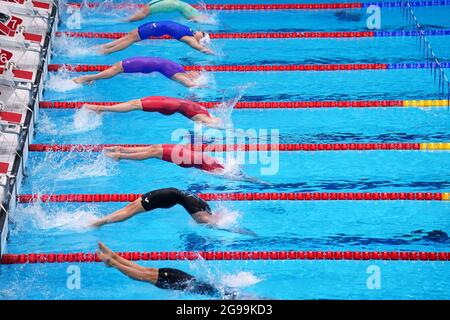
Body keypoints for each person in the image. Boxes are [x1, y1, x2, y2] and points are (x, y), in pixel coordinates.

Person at [91, 188, 256, 237]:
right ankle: (100, 222)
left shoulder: (198, 208)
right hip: (178, 197)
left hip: (171, 196)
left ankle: (99, 222)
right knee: (129, 211)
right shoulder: (198, 207)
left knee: (129, 212)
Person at [96, 242, 238, 298]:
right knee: (146, 276)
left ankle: (115, 258)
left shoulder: (223, 290)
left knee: (147, 272)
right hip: (179, 282)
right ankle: (114, 263)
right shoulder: (223, 294)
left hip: (182, 276)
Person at [83, 96, 223, 128]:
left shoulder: (204, 115)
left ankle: (102, 109)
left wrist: (214, 124)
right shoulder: (206, 114)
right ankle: (102, 109)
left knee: (134, 105)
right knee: (134, 103)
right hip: (170, 102)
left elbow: (212, 123)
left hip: (170, 104)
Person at [72, 57, 203, 88]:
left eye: (197, 74)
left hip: (142, 63)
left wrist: (201, 84)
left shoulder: (180, 74)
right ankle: (87, 78)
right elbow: (190, 84)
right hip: (142, 62)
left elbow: (189, 85)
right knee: (115, 69)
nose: (195, 72)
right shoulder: (181, 71)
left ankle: (87, 78)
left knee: (116, 69)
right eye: (197, 72)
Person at [99, 21, 213, 55]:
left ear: (200, 39)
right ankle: (105, 46)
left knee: (131, 39)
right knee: (129, 35)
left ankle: (107, 51)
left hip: (155, 28)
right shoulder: (191, 32)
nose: (200, 31)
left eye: (202, 33)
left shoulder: (190, 39)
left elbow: (200, 48)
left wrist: (212, 52)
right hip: (155, 24)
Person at [103, 144, 224, 173]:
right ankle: (122, 149)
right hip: (187, 154)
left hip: (187, 159)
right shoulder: (222, 164)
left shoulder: (218, 169)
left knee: (155, 152)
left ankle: (120, 156)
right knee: (154, 148)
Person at [126, 0, 213, 24]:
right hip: (171, 3)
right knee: (145, 11)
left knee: (145, 11)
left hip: (169, 3)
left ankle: (126, 20)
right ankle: (127, 20)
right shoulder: (188, 9)